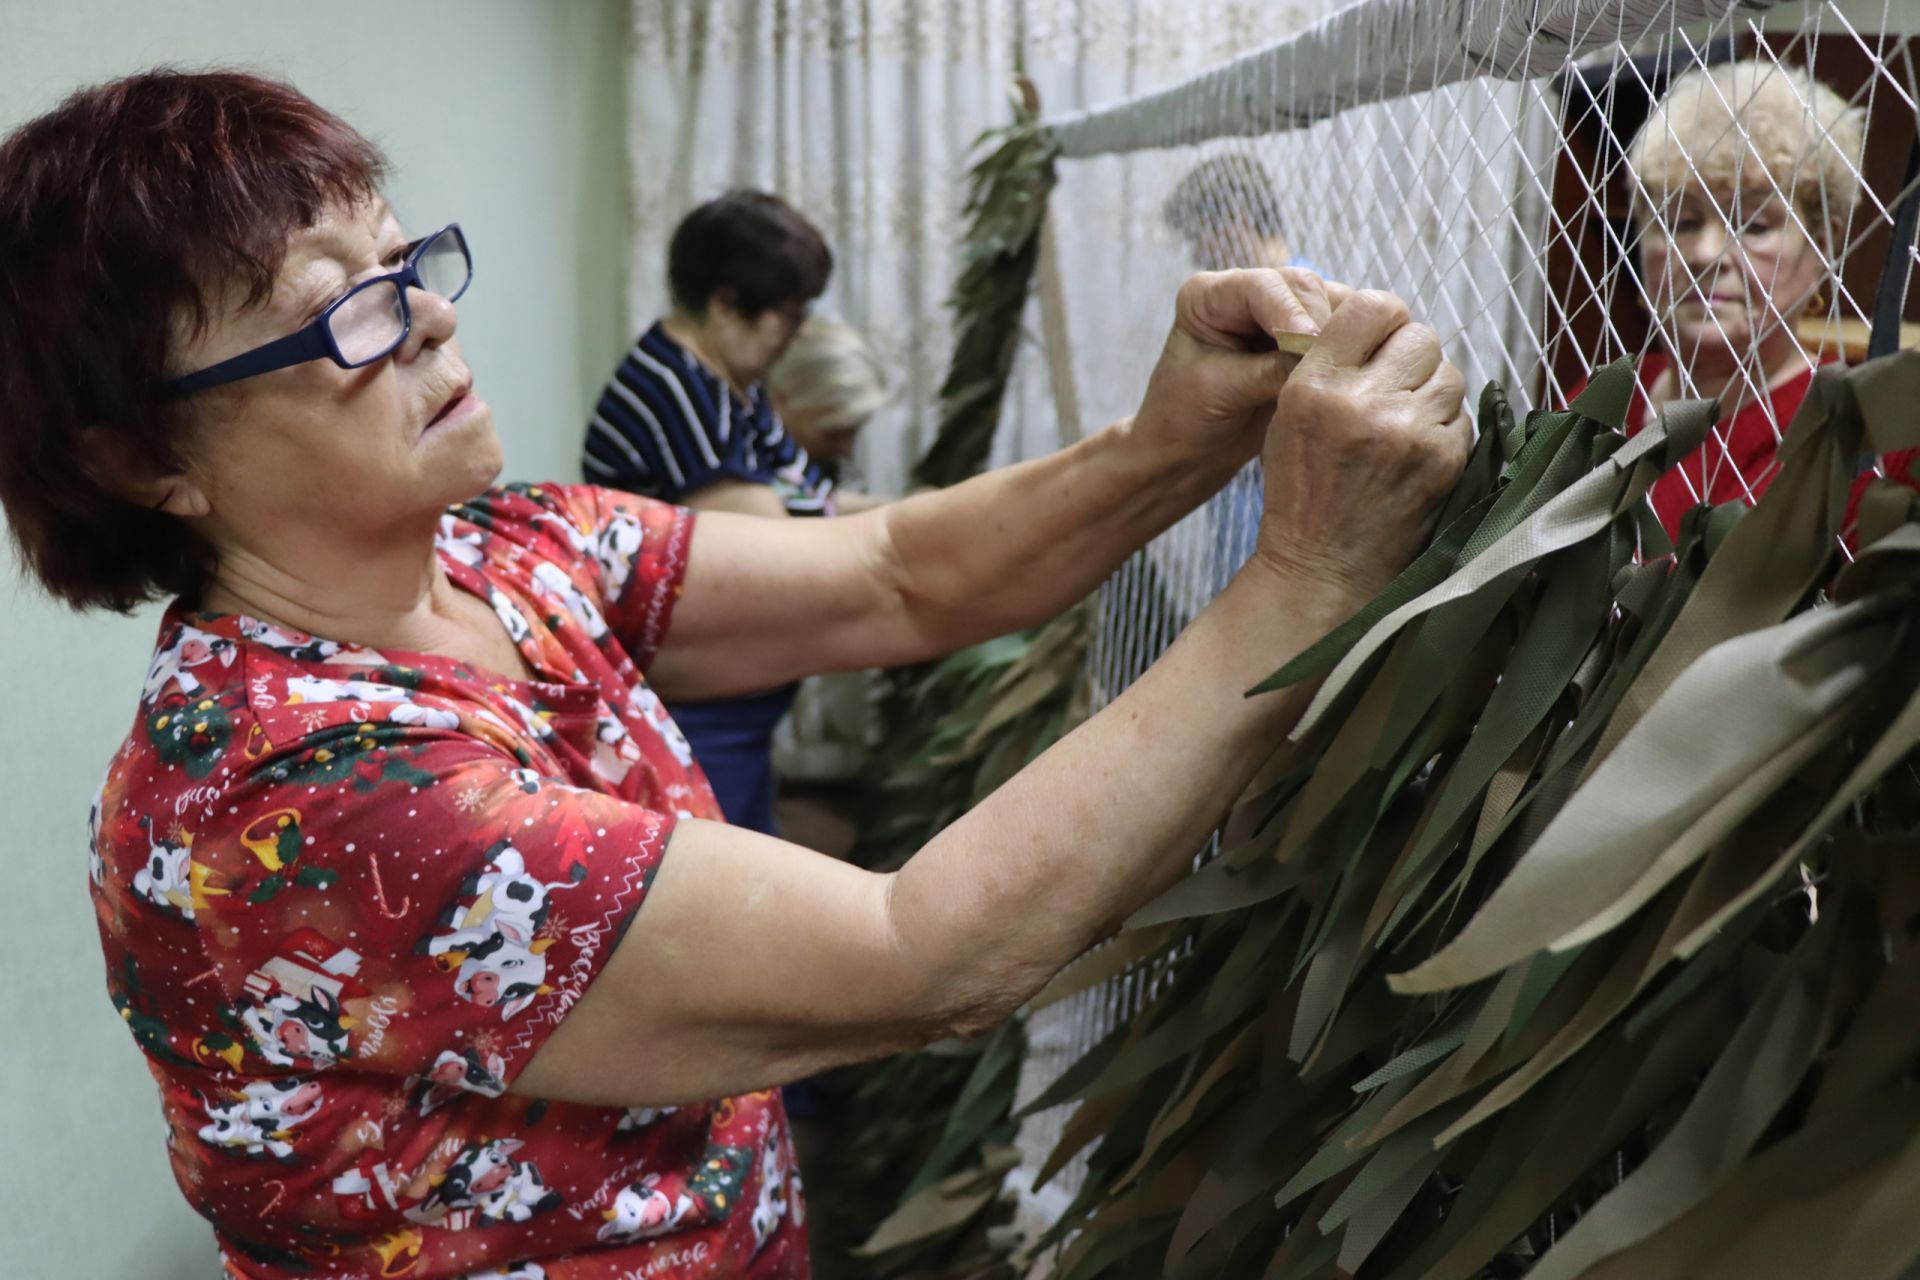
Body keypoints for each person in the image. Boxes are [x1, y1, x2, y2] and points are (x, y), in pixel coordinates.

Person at [0, 70, 1468, 1280]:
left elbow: (899, 574)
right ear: (143, 461)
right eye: (344, 312)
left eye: (403, 265)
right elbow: (924, 954)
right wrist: (1309, 582)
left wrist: (1170, 444)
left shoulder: (504, 550)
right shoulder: (298, 794)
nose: (430, 317)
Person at [581, 202, 881, 834]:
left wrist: (915, 507)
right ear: (726, 303)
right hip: (696, 702)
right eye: (788, 314)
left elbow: (806, 498)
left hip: (730, 691)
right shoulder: (679, 398)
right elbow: (770, 544)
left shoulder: (729, 386)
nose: (796, 332)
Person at [1614, 57, 1915, 535]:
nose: (1707, 254)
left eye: (1753, 224)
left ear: (1825, 247)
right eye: (1680, 222)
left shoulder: (1865, 442)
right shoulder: (1602, 404)